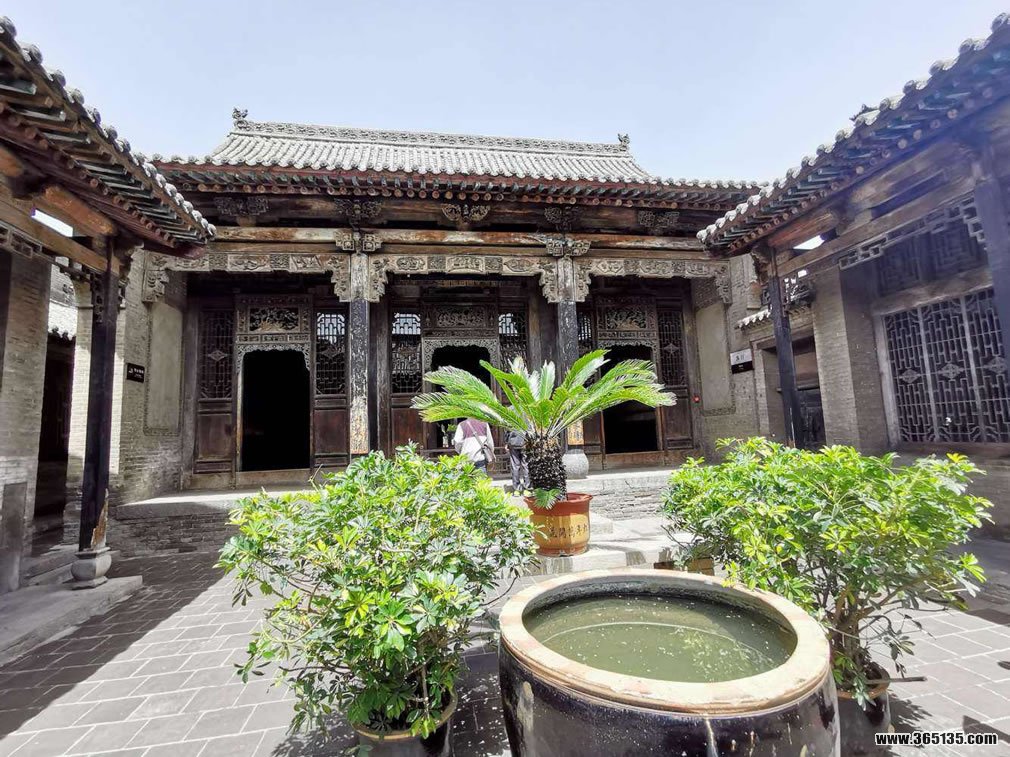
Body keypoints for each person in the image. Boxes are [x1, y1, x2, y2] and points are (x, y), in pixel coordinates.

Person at [505, 428, 530, 493]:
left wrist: (506, 442)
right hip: (525, 442)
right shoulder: (527, 420)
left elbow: (507, 430)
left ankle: (517, 489)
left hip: (513, 443)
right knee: (526, 466)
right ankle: (528, 488)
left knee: (515, 467)